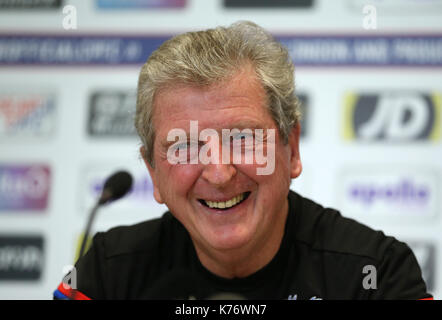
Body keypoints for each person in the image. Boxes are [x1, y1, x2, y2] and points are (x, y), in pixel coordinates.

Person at [53, 21, 433, 300]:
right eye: (186, 146)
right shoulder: (106, 271)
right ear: (153, 171)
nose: (219, 174)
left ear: (292, 149)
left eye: (244, 139)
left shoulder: (376, 273)